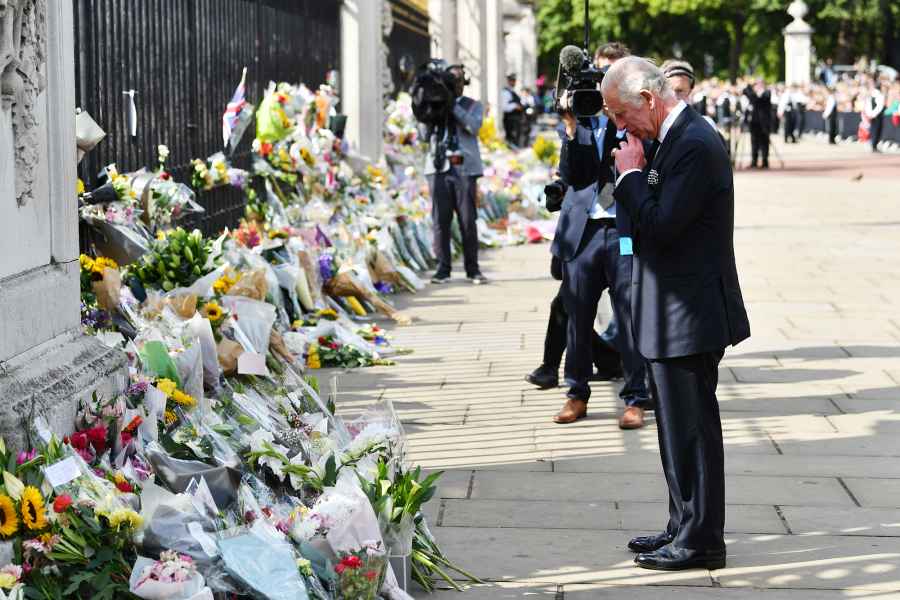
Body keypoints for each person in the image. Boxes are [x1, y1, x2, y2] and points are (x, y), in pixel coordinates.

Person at [602, 57, 750, 570]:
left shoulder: (695, 142)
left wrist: (630, 178)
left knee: (692, 430)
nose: (620, 128)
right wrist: (632, 177)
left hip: (692, 312)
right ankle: (682, 522)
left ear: (647, 98)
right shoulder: (670, 138)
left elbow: (662, 225)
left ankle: (703, 540)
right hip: (670, 308)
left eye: (622, 115)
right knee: (673, 428)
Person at [547, 41, 651, 428]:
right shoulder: (583, 116)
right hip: (584, 231)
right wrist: (572, 127)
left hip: (623, 229)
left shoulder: (634, 118)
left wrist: (617, 115)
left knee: (629, 315)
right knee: (578, 317)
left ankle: (637, 397)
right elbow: (576, 175)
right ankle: (576, 393)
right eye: (597, 76)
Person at [424, 63, 487, 285]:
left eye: (458, 80)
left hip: (465, 169)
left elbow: (473, 126)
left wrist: (453, 106)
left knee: (468, 220)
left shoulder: (472, 105)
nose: (454, 84)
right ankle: (443, 269)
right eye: (450, 79)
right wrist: (431, 103)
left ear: (464, 83)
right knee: (440, 220)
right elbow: (424, 132)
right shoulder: (435, 103)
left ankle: (473, 269)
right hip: (438, 167)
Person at [742, 79, 773, 169]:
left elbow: (759, 101)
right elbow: (748, 96)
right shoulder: (754, 94)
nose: (757, 86)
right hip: (754, 122)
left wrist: (751, 91)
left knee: (764, 142)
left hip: (764, 122)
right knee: (754, 142)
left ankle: (765, 161)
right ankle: (754, 161)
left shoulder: (767, 92)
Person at [501, 74, 525, 147]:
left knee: (516, 139)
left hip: (515, 119)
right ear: (508, 81)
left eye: (514, 80)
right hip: (510, 120)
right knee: (511, 140)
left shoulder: (513, 91)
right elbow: (504, 107)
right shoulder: (505, 92)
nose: (514, 82)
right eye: (512, 81)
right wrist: (515, 106)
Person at [865, 79, 886, 153]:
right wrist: (873, 114)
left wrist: (870, 114)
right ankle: (874, 146)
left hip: (872, 115)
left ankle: (873, 145)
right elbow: (879, 107)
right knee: (877, 130)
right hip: (877, 116)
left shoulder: (871, 95)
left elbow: (868, 105)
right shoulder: (880, 95)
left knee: (873, 130)